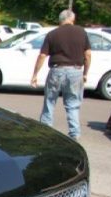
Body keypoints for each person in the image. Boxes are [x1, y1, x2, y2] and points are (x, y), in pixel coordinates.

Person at [30, 10, 91, 140]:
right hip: (76, 71)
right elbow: (88, 54)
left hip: (56, 70)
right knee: (73, 105)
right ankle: (74, 134)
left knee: (50, 101)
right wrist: (85, 73)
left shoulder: (52, 34)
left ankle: (45, 132)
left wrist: (35, 74)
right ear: (73, 19)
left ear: (60, 20)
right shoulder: (81, 32)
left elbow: (42, 55)